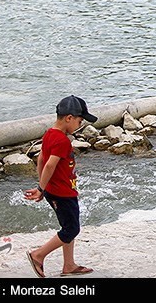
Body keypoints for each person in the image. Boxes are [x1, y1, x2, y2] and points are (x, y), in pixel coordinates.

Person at [23, 95, 98, 278]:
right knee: (72, 229)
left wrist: (43, 186)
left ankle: (69, 265)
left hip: (56, 190)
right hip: (62, 193)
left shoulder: (49, 134)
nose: (79, 125)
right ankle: (38, 255)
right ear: (69, 118)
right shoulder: (62, 141)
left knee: (68, 226)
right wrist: (41, 188)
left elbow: (41, 159)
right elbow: (49, 165)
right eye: (79, 121)